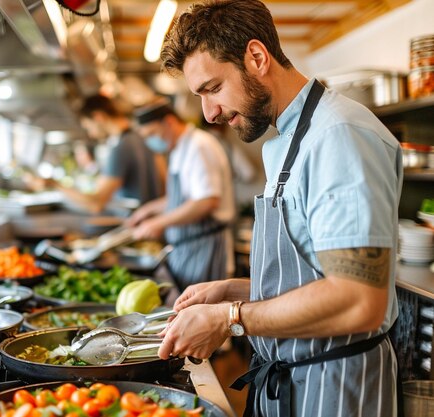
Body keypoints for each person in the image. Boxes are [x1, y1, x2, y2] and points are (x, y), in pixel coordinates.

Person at [156, 1, 403, 417]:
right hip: (293, 379)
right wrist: (236, 289)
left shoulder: (338, 136)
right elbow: (317, 274)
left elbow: (359, 298)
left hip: (336, 388)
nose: (210, 113)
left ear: (256, 57)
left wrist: (229, 318)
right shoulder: (287, 140)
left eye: (213, 89)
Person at [126, 99, 236, 288]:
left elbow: (206, 201)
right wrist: (148, 210)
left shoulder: (199, 146)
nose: (151, 141)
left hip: (207, 250)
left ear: (169, 122)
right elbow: (183, 198)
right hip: (188, 248)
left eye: (152, 133)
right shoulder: (179, 149)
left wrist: (159, 222)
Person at [31, 94, 164, 214]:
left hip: (140, 225)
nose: (91, 134)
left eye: (89, 126)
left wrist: (54, 184)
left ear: (98, 117)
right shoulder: (141, 137)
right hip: (154, 220)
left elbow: (96, 203)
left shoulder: (121, 147)